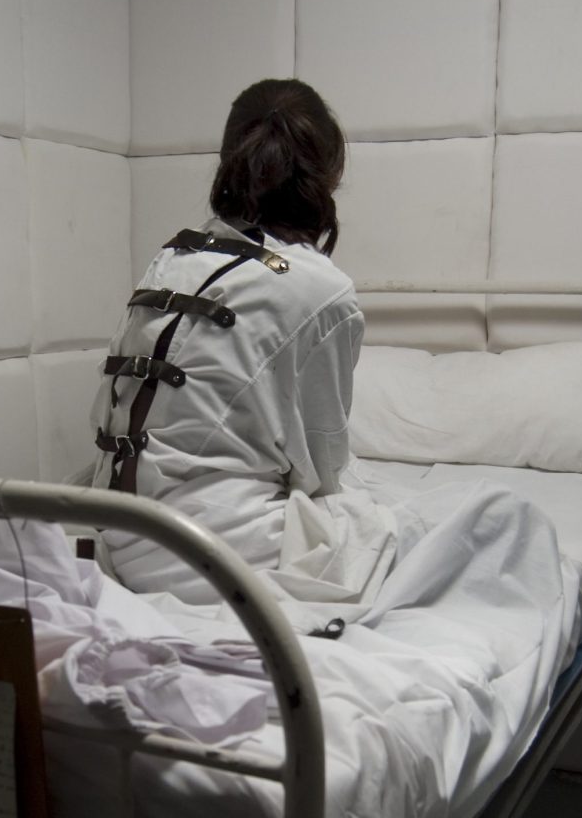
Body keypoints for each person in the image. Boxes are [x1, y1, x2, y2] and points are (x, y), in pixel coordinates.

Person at [86, 78, 396, 618]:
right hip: (210, 558)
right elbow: (322, 464)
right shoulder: (323, 290)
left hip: (115, 527)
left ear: (230, 159)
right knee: (398, 525)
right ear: (331, 171)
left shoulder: (173, 257)